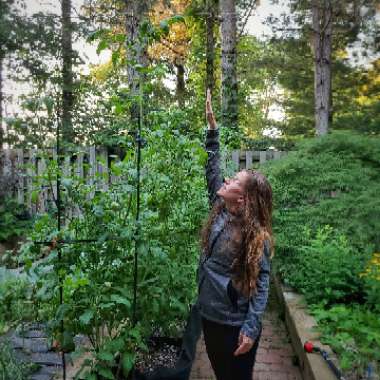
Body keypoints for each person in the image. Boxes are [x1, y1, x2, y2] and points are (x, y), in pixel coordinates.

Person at [196, 89, 274, 380]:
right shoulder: (221, 206)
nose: (226, 179)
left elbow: (262, 282)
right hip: (209, 315)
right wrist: (212, 129)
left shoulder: (256, 237)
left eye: (234, 181)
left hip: (233, 324)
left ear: (242, 200)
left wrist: (251, 328)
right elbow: (212, 167)